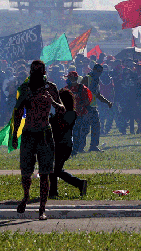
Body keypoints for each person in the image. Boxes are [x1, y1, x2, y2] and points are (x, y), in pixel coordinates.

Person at [12, 60, 65, 220]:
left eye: (39, 70)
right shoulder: (25, 88)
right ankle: (26, 196)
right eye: (33, 70)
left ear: (44, 72)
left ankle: (42, 208)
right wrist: (14, 135)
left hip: (44, 133)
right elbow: (18, 111)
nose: (36, 73)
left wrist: (52, 101)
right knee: (26, 173)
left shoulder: (51, 88)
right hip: (28, 133)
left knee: (45, 173)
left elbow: (62, 109)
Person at [50, 88, 88, 199]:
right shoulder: (62, 113)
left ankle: (79, 183)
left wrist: (55, 118)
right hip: (58, 144)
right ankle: (53, 192)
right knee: (54, 170)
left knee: (56, 170)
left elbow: (62, 126)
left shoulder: (71, 113)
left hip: (64, 145)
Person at [82, 64, 113, 151]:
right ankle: (80, 147)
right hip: (86, 107)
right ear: (94, 70)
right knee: (85, 128)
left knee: (96, 127)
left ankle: (93, 146)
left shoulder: (96, 79)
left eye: (101, 72)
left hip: (92, 106)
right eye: (98, 71)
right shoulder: (87, 78)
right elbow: (80, 91)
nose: (99, 73)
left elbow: (97, 94)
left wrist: (107, 102)